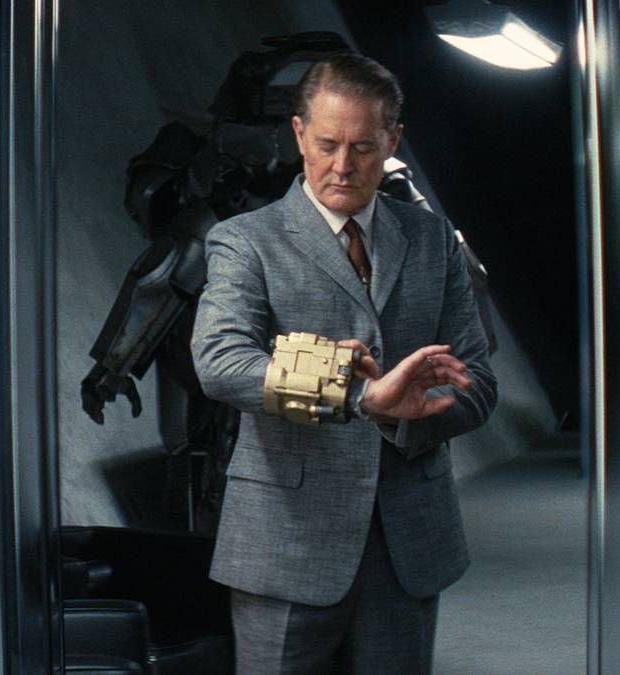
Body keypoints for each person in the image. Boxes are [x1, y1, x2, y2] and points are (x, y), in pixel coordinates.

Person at [191, 53, 496, 673]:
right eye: (328, 144)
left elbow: (479, 381)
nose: (342, 165)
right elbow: (220, 361)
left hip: (408, 544)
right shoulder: (244, 239)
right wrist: (357, 398)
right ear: (299, 134)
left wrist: (413, 412)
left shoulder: (433, 238)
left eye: (362, 147)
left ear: (393, 140)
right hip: (285, 544)